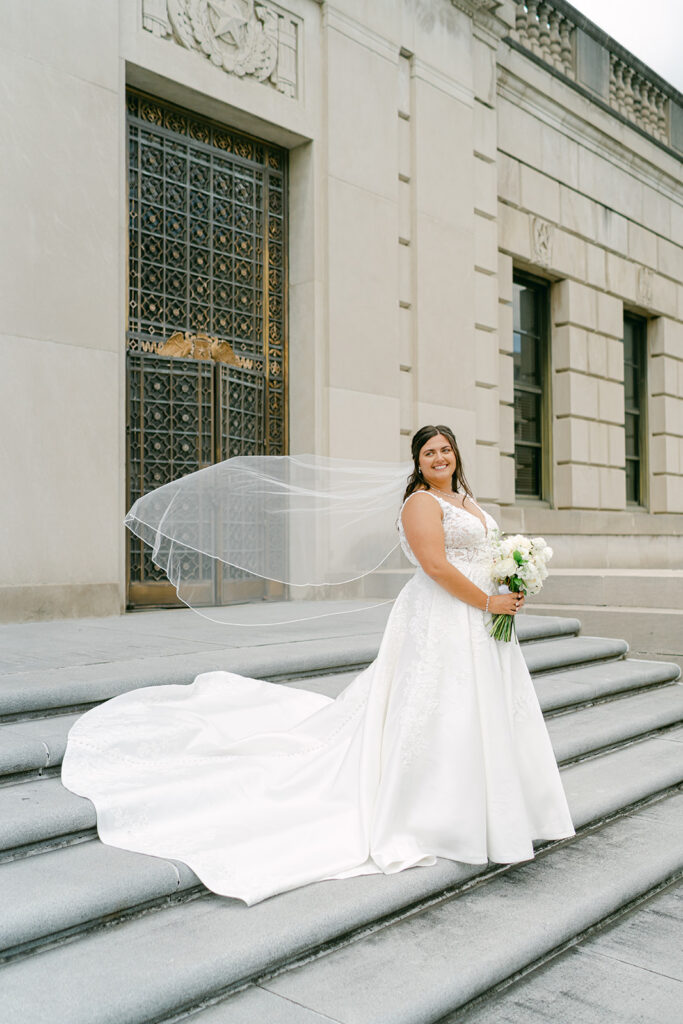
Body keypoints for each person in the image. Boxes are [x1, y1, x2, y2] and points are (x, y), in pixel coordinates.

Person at [61, 425, 575, 905]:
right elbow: (437, 567)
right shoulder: (420, 503)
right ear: (417, 464)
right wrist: (488, 603)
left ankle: (494, 812)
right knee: (437, 708)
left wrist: (510, 582)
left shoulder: (464, 500)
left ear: (455, 455)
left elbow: (485, 554)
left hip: (482, 622)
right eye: (429, 452)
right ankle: (439, 815)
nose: (440, 458)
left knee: (477, 712)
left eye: (445, 449)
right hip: (445, 617)